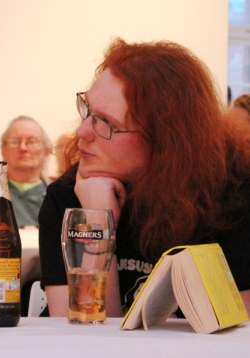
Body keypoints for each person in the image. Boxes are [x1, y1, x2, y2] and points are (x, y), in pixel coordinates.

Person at [39, 38, 250, 318]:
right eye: (87, 110)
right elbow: (88, 336)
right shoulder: (69, 196)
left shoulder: (235, 199)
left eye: (107, 123)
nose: (82, 132)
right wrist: (97, 220)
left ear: (165, 141)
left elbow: (236, 335)